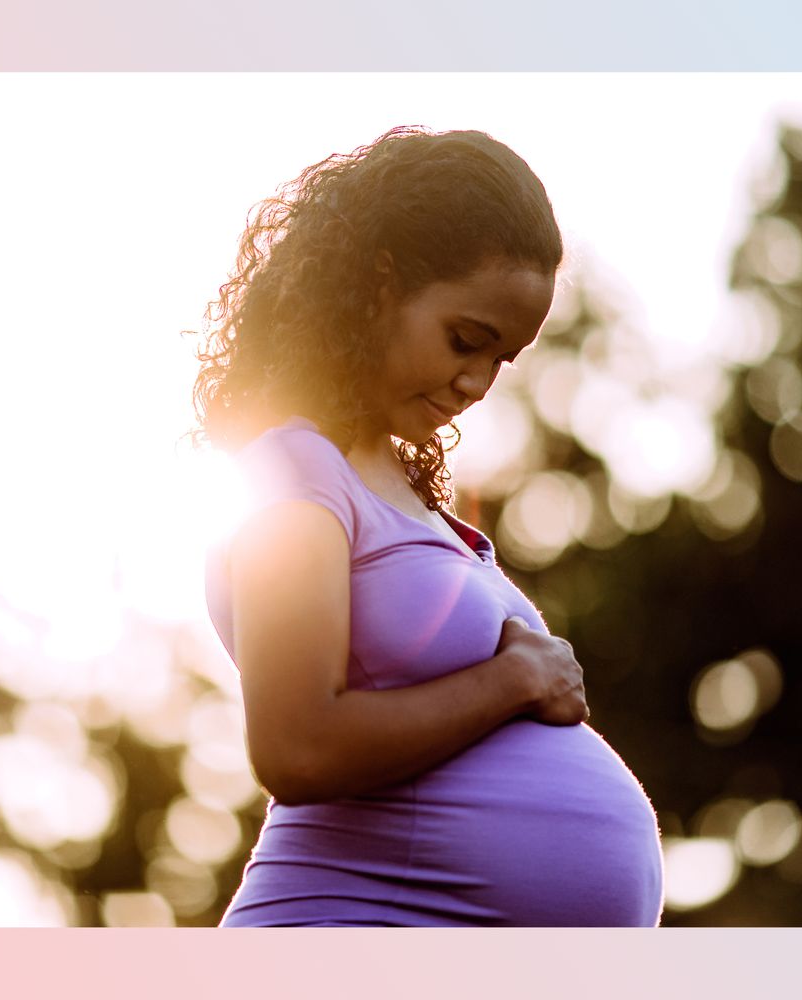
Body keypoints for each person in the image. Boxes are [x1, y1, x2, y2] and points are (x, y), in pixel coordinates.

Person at [192, 126, 664, 926]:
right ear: (378, 285)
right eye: (465, 340)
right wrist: (513, 681)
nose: (477, 382)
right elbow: (295, 746)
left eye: (501, 360)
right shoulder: (295, 473)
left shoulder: (394, 490)